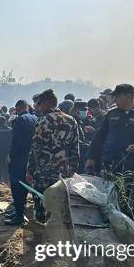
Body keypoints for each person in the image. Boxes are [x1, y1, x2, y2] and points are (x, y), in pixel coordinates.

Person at [26, 89, 80, 222]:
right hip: (64, 173)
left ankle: (42, 233)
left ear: (47, 104)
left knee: (42, 205)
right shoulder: (71, 121)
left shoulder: (42, 121)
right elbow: (75, 148)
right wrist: (73, 169)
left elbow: (35, 148)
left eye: (39, 104)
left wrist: (30, 170)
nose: (38, 107)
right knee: (61, 206)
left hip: (44, 172)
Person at [85, 84, 134, 175]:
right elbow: (99, 137)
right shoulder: (111, 114)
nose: (114, 99)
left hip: (130, 165)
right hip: (108, 161)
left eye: (117, 97)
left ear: (128, 96)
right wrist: (91, 158)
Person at [5, 100, 38, 225]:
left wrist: (11, 156)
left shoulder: (20, 120)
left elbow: (16, 141)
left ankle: (19, 215)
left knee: (16, 186)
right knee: (25, 185)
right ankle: (20, 212)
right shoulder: (35, 118)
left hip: (19, 159)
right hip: (31, 159)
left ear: (18, 108)